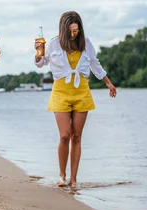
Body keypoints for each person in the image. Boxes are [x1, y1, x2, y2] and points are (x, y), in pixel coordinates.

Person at [35, 11, 117, 189]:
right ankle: (62, 176)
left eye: (76, 31)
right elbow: (41, 63)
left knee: (77, 136)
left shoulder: (86, 44)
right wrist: (37, 54)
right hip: (61, 92)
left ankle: (74, 179)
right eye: (71, 31)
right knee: (65, 135)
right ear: (63, 30)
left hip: (81, 91)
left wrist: (108, 83)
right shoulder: (54, 43)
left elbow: (95, 64)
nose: (74, 34)